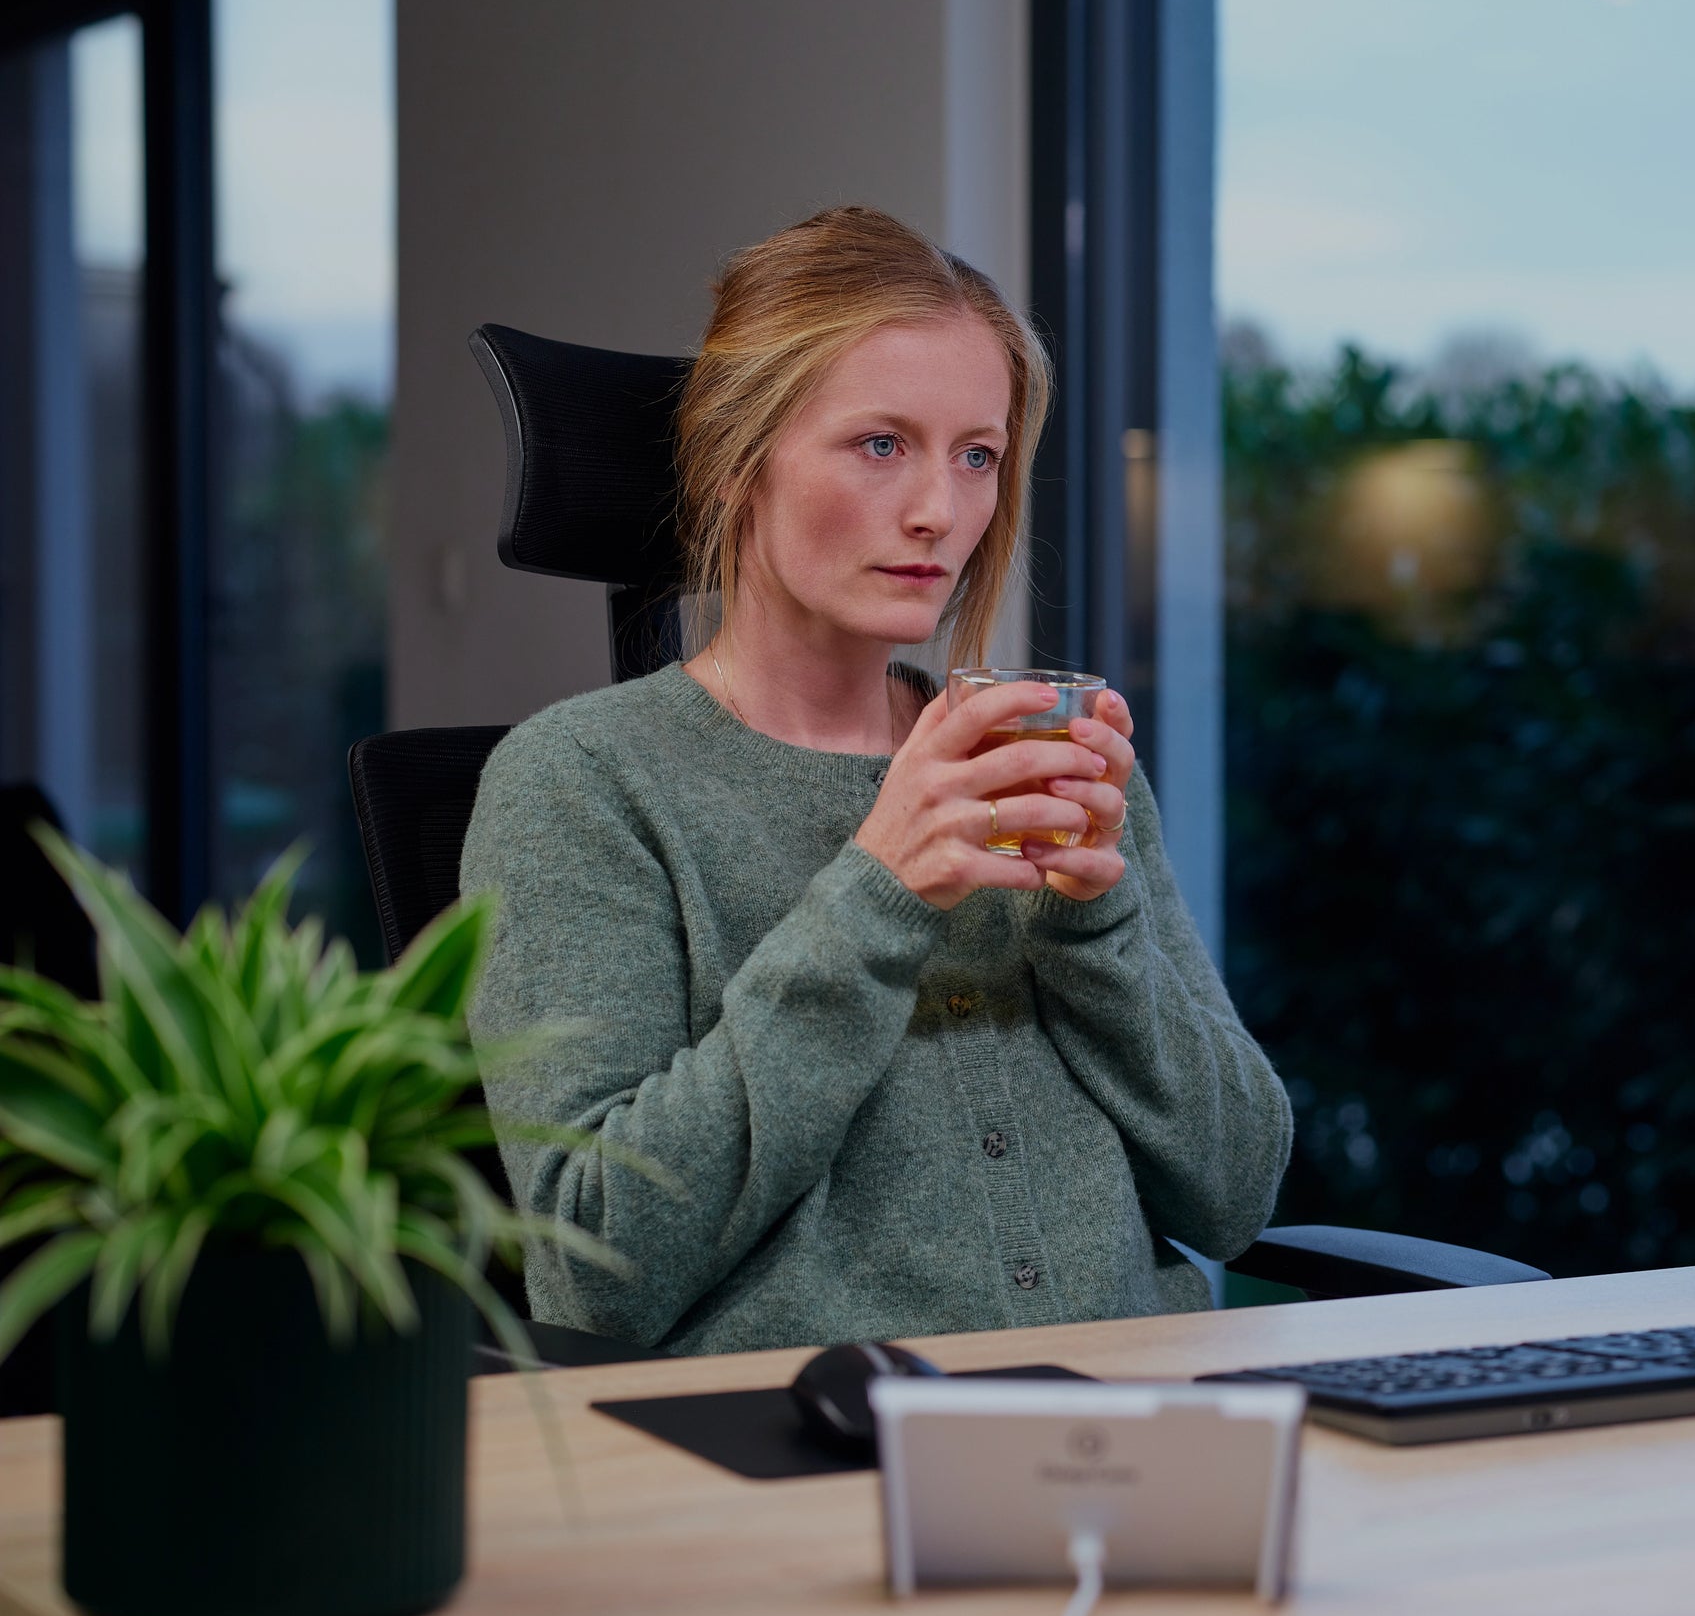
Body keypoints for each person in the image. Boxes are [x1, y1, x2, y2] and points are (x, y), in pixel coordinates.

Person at [461, 207, 1291, 1354]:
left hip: (1135, 1426)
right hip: (815, 1450)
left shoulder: (1040, 758)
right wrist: (877, 892)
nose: (938, 513)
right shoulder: (579, 783)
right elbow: (598, 1266)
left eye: (978, 455)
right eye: (881, 444)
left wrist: (1096, 929)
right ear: (738, 460)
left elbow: (1236, 1197)